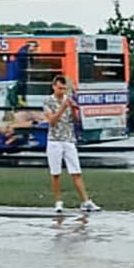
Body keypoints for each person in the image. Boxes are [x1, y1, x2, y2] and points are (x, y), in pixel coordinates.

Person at [44, 75, 100, 213]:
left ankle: (85, 201)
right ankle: (58, 202)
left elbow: (75, 120)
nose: (61, 91)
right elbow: (52, 121)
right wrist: (63, 107)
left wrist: (74, 110)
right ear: (54, 87)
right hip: (54, 140)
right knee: (56, 173)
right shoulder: (48, 101)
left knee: (76, 171)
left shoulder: (68, 99)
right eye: (59, 88)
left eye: (64, 88)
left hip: (69, 139)